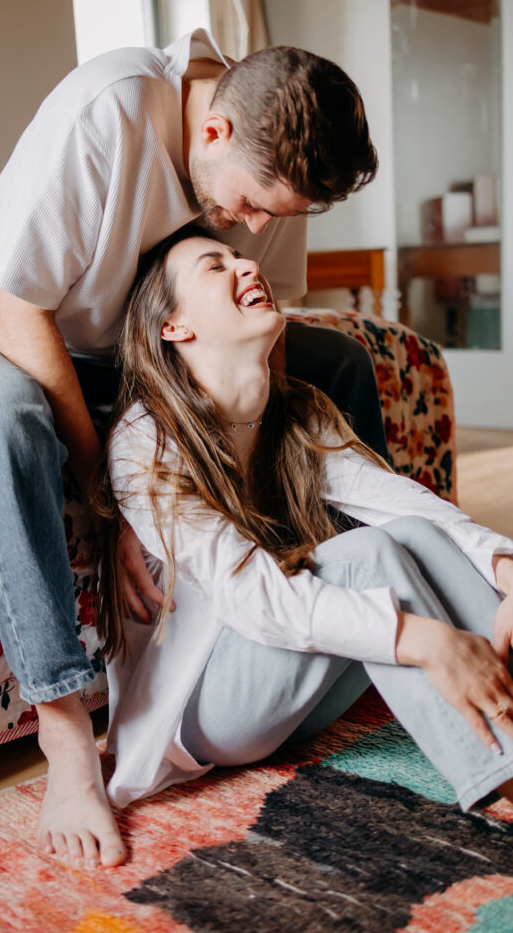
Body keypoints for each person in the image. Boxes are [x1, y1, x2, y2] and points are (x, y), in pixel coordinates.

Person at [0, 29, 385, 868]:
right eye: (258, 204)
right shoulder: (112, 107)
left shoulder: (268, 156)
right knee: (8, 421)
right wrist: (120, 496)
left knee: (338, 359)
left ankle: (344, 597)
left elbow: (261, 328)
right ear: (214, 131)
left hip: (129, 349)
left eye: (282, 214)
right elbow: (21, 314)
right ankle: (65, 733)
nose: (259, 227)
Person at [97, 224, 513, 821]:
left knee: (413, 535)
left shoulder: (297, 412)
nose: (246, 266)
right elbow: (251, 598)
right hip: (209, 710)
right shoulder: (146, 440)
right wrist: (431, 640)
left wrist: (504, 566)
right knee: (365, 556)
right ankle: (501, 773)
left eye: (240, 256)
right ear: (174, 327)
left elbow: (406, 503)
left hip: (295, 691)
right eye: (215, 267)